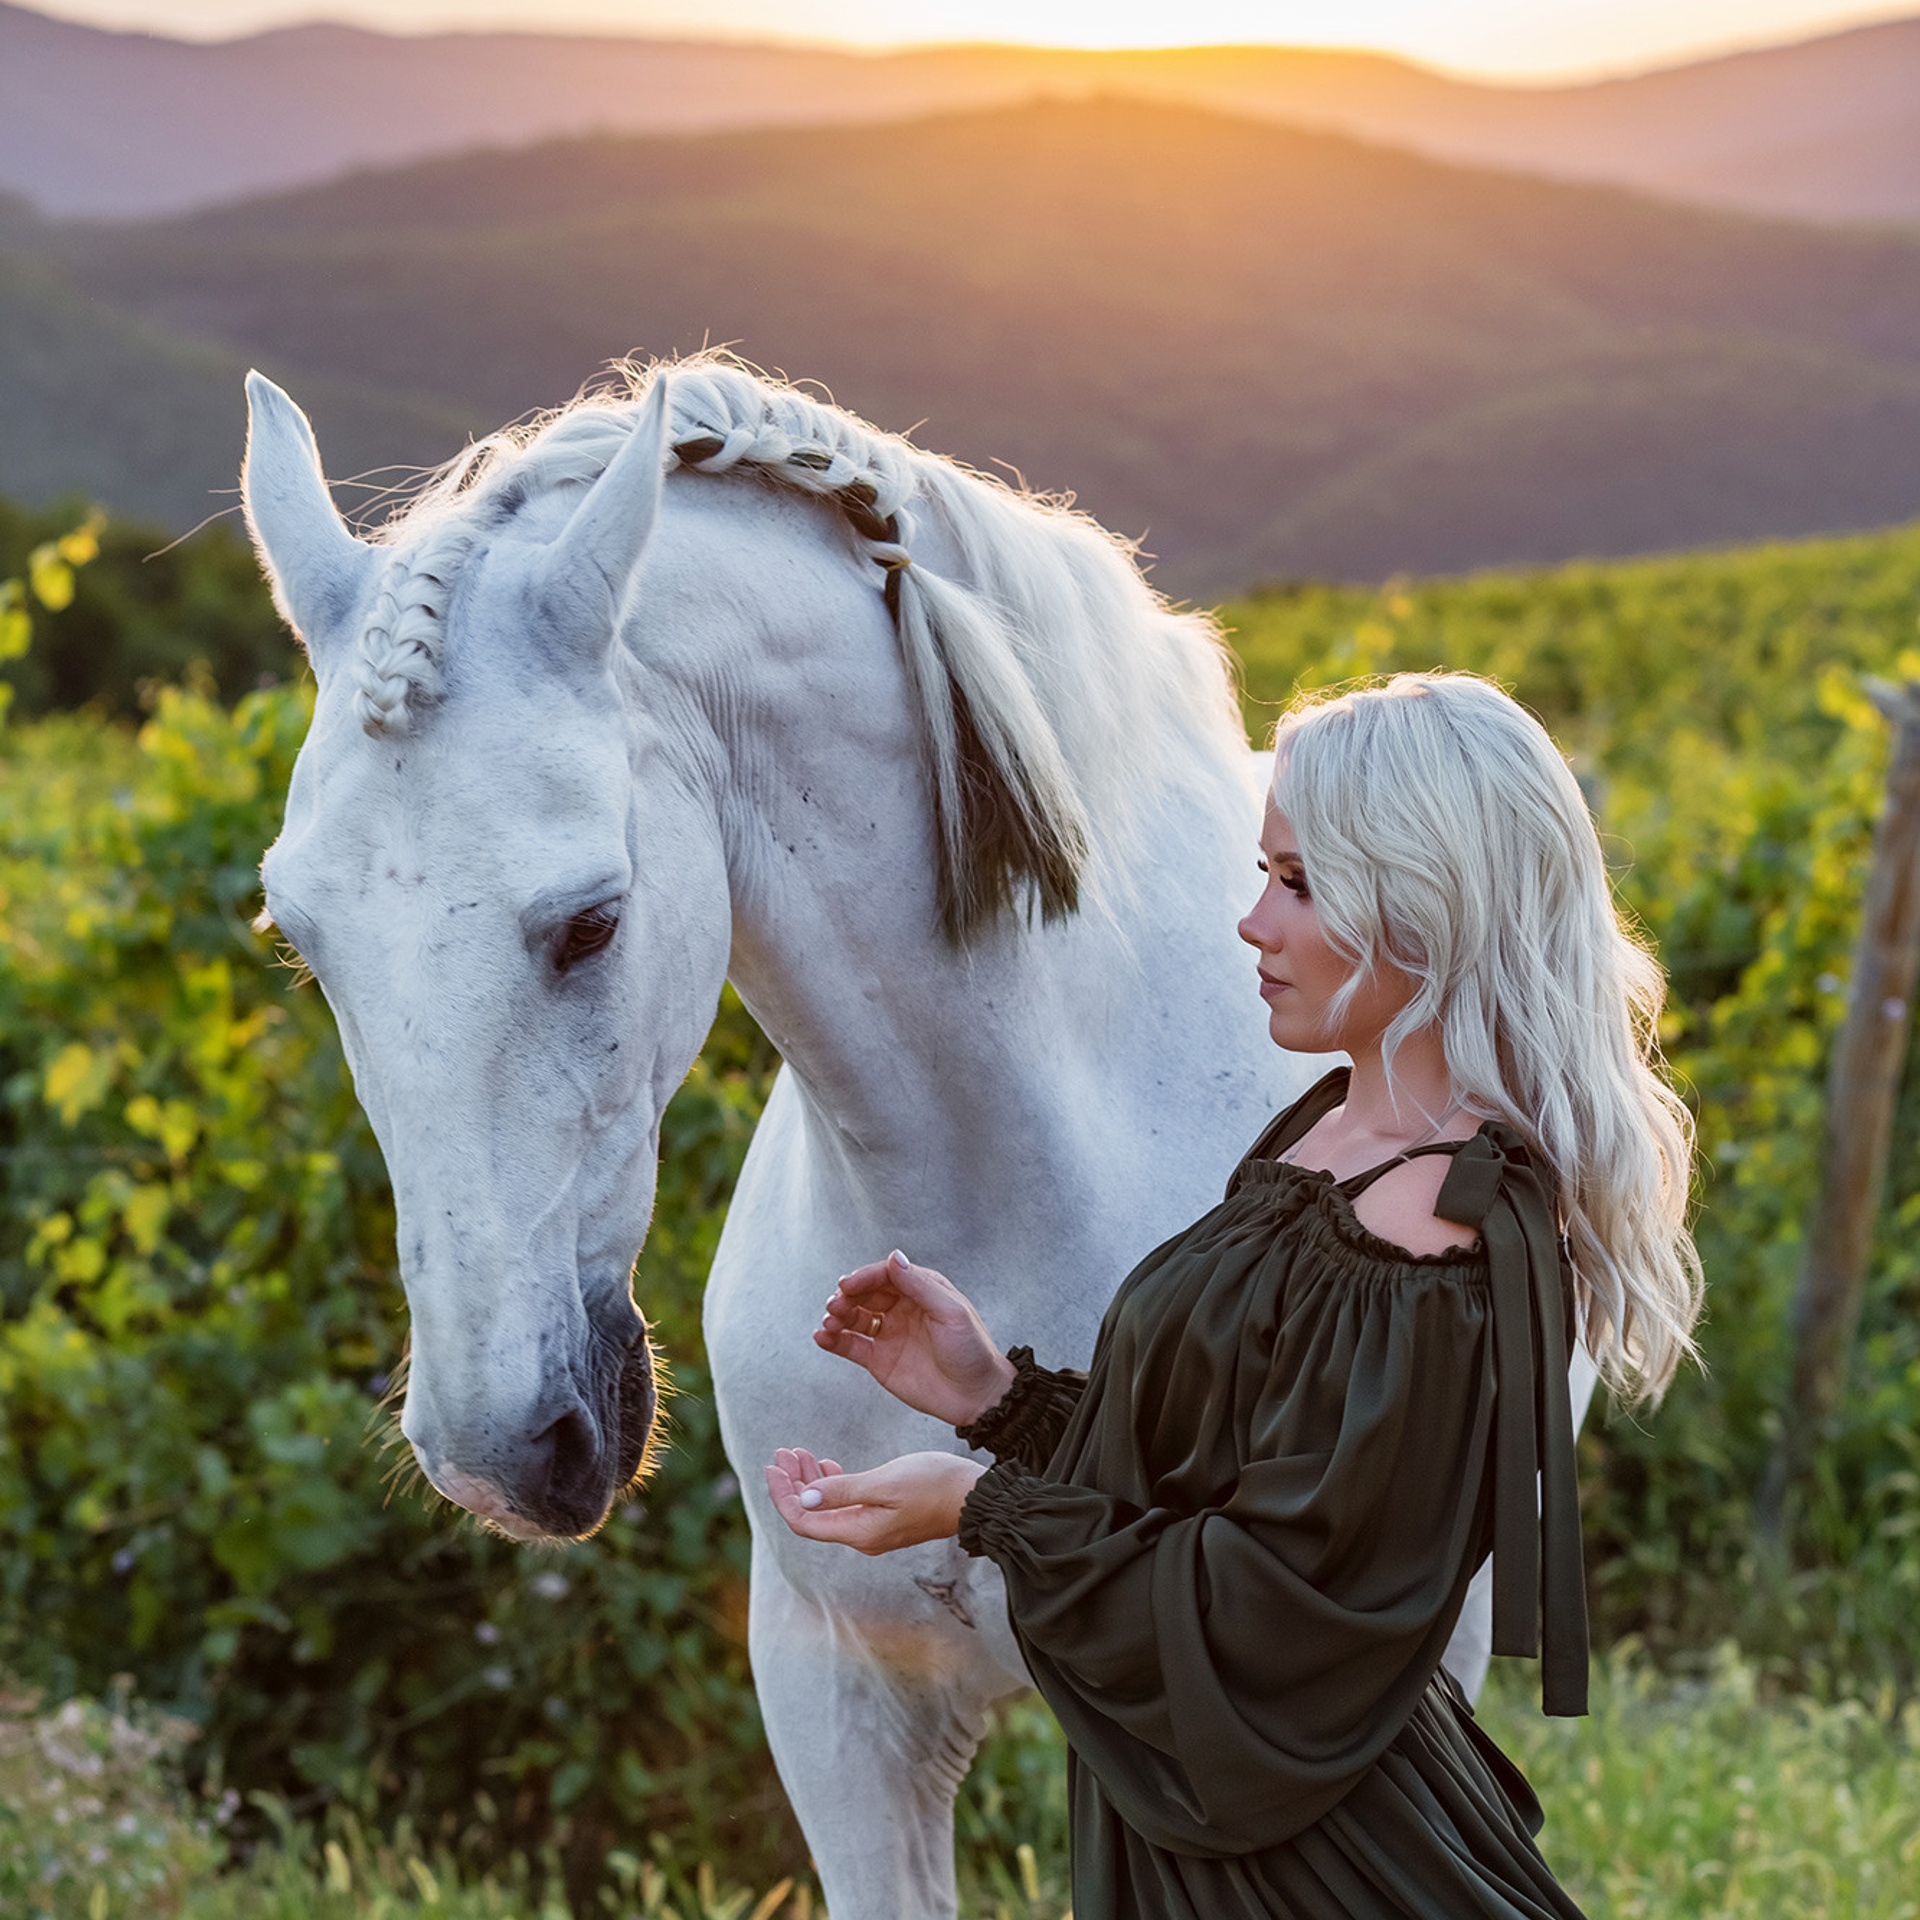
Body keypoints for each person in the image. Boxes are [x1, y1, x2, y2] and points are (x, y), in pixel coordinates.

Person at [766, 670, 1702, 1918]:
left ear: (1425, 903)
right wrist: (998, 1399)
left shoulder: (1438, 1238)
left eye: (1300, 884)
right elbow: (1220, 1476)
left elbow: (1273, 1630)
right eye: (1266, 874)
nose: (1254, 923)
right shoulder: (1328, 1139)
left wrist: (985, 1507)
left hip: (1315, 1875)